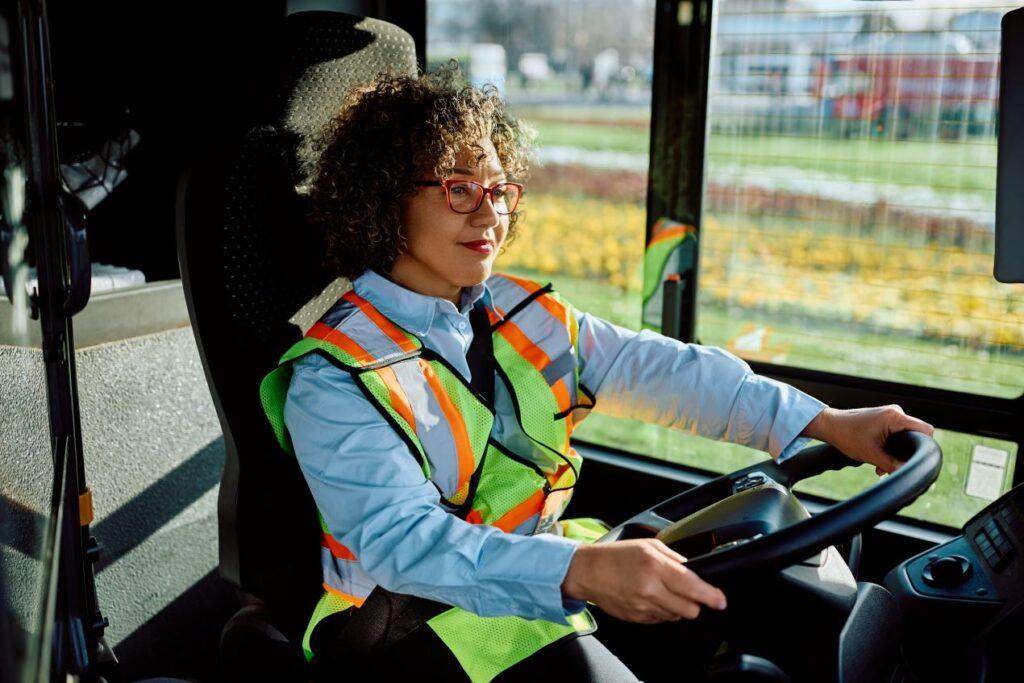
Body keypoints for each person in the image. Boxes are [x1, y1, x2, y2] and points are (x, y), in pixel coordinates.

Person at [259, 64, 935, 682]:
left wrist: (825, 421)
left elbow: (666, 370)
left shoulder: (524, 314)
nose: (491, 213)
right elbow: (402, 545)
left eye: (499, 188)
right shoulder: (333, 377)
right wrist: (580, 569)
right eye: (460, 188)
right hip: (407, 625)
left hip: (538, 580)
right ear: (383, 200)